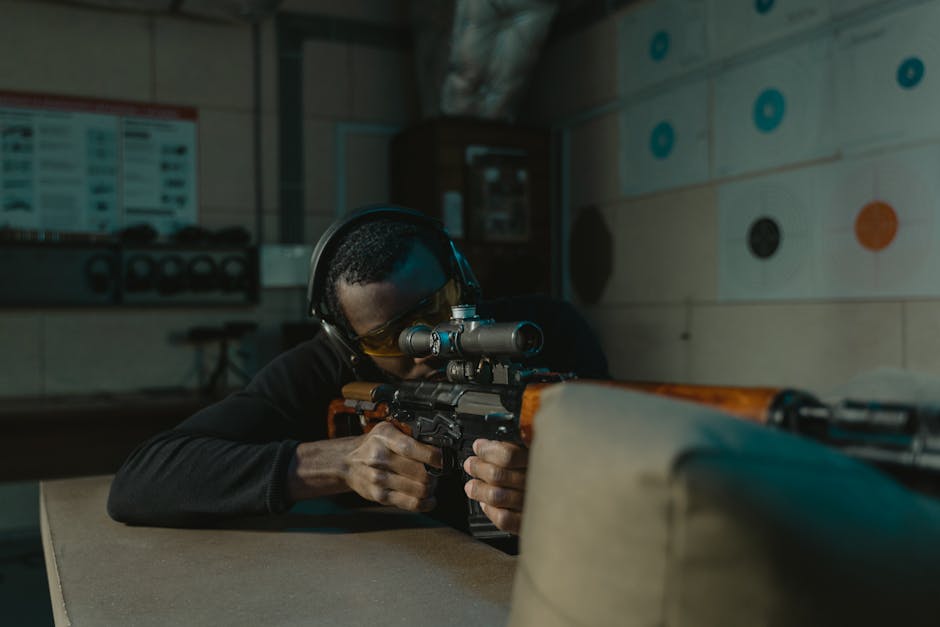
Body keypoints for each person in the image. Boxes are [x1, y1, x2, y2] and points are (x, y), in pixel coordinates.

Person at [107, 205, 609, 538]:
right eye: (391, 337)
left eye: (440, 306)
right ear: (348, 341)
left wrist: (560, 496)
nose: (430, 348)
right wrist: (339, 462)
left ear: (465, 281)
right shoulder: (325, 367)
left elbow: (633, 469)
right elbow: (143, 478)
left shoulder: (545, 332)